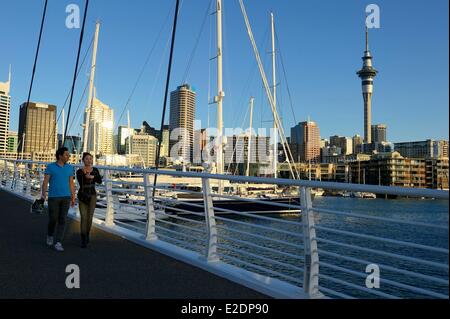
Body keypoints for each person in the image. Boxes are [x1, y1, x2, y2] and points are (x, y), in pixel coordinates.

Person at [41, 147, 75, 252]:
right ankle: (50, 235)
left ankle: (58, 242)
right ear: (60, 156)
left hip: (66, 197)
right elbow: (45, 182)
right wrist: (43, 194)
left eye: (68, 154)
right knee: (53, 219)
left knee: (62, 219)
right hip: (53, 197)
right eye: (66, 154)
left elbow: (71, 183)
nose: (68, 156)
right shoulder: (50, 167)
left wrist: (73, 196)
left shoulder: (70, 168)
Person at [76, 152, 102, 248]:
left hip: (92, 195)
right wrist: (85, 176)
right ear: (83, 160)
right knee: (83, 217)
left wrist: (93, 177)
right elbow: (80, 180)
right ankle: (83, 238)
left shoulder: (95, 170)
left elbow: (99, 180)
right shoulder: (79, 171)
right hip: (83, 195)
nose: (89, 160)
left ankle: (87, 234)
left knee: (90, 217)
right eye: (87, 159)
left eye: (90, 159)